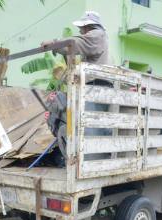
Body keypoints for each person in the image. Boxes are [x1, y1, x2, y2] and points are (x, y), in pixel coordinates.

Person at [40, 11, 111, 164]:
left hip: (97, 87)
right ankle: (86, 160)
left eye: (82, 28)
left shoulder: (97, 35)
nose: (81, 31)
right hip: (93, 87)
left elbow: (74, 43)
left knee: (89, 128)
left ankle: (90, 161)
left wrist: (54, 43)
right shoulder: (96, 40)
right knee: (85, 126)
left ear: (89, 26)